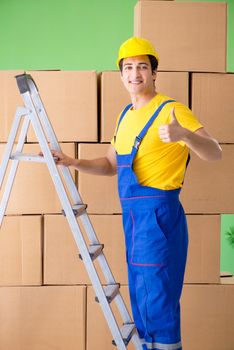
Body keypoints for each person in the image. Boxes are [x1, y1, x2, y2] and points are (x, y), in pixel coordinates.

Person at [50, 37, 222, 350]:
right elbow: (109, 164)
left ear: (154, 73)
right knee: (142, 296)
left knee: (158, 297)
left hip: (159, 215)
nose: (134, 73)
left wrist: (183, 135)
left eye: (142, 66)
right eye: (128, 67)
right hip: (133, 217)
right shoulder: (125, 116)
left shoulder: (172, 110)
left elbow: (215, 152)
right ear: (121, 75)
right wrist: (73, 162)